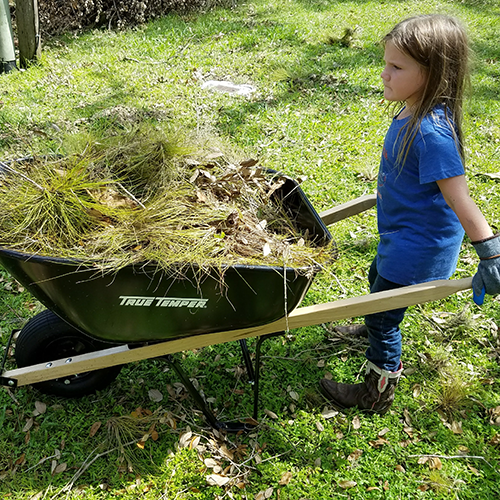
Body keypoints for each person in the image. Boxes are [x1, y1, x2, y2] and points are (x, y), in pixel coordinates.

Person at [320, 14, 500, 415]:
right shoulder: (411, 110)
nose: (384, 75)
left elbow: (461, 200)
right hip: (400, 238)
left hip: (417, 249)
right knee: (376, 283)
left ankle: (376, 393)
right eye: (386, 63)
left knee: (386, 320)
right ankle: (371, 319)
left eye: (397, 67)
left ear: (434, 73)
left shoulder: (431, 132)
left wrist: (490, 253)